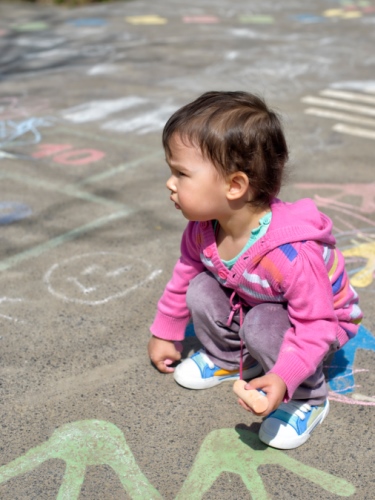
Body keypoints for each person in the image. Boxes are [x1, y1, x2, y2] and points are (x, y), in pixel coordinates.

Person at [148, 91, 362, 450]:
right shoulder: (204, 227)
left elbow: (317, 325)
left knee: (263, 323)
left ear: (235, 185)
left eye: (181, 173)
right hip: (257, 299)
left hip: (321, 322)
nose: (170, 183)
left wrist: (284, 377)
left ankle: (308, 398)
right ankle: (229, 358)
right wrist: (166, 330)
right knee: (201, 287)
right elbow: (185, 272)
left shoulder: (292, 254)